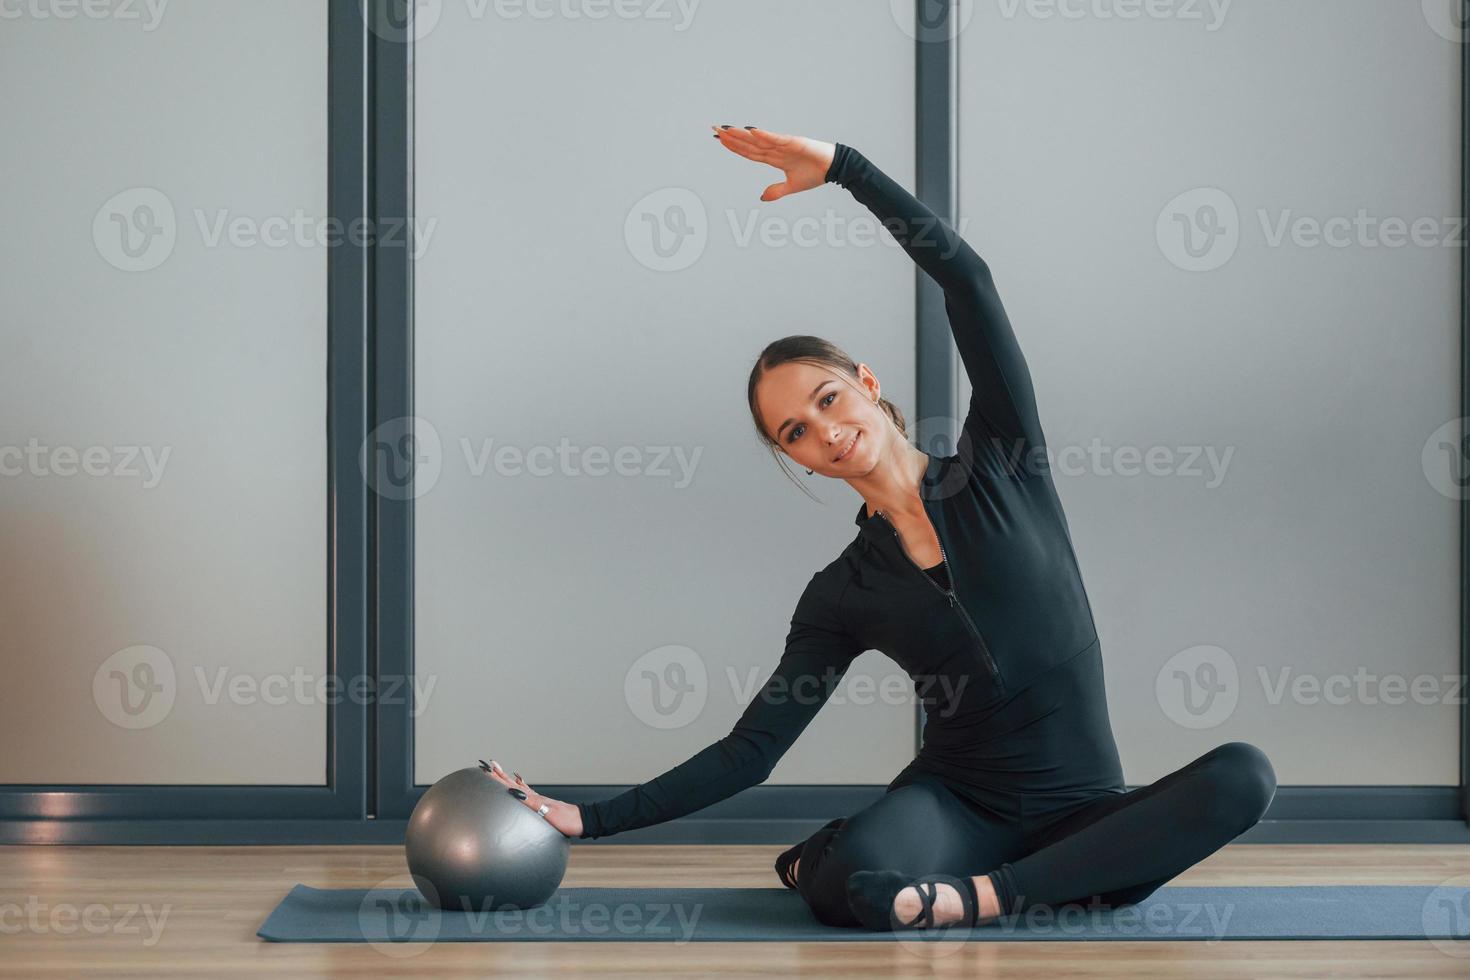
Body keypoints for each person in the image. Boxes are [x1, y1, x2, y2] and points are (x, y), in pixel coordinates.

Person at [480, 125, 1277, 931]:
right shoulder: (841, 594)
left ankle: (981, 895)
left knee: (1243, 776)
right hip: (959, 808)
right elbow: (752, 750)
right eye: (794, 432)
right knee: (852, 879)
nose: (823, 431)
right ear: (798, 460)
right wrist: (589, 818)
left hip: (1088, 811)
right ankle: (929, 876)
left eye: (826, 400)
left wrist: (846, 170)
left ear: (865, 382)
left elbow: (968, 279)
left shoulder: (1005, 459)